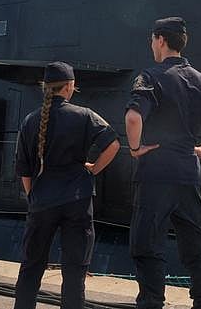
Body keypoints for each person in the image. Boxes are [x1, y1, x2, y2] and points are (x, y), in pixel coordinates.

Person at [125, 17, 201, 309]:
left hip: (155, 174)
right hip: (188, 174)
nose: (152, 45)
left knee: (148, 246)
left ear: (161, 40)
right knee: (197, 247)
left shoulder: (150, 77)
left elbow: (133, 116)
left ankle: (151, 303)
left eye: (153, 40)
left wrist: (135, 147)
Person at [14, 61, 121, 309]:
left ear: (45, 87)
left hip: (42, 201)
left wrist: (34, 197)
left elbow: (24, 169)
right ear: (70, 86)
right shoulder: (84, 116)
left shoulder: (30, 121)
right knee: (74, 273)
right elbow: (113, 144)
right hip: (77, 200)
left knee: (31, 267)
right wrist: (94, 168)